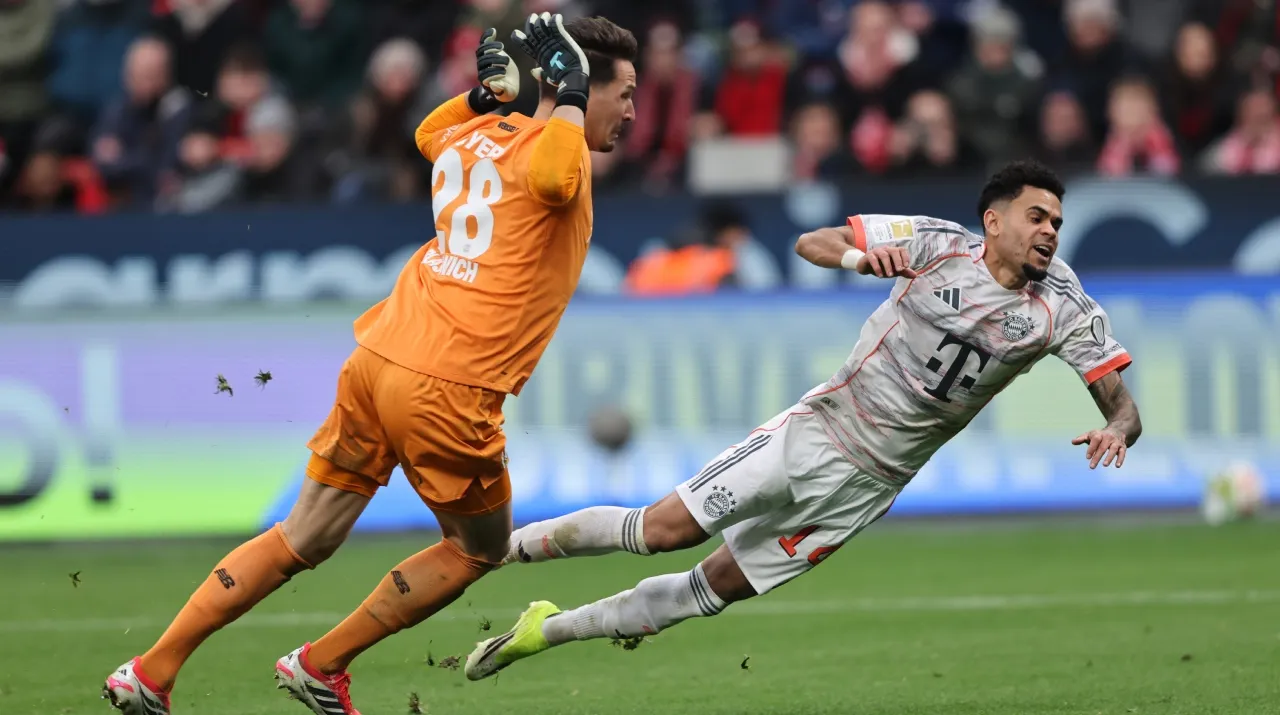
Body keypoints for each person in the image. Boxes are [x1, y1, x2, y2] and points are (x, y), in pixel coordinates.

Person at [102, 12, 637, 715]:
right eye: (623, 92)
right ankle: (322, 663)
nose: (631, 110)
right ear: (578, 86)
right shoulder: (556, 149)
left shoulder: (482, 132)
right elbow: (555, 178)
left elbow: (427, 134)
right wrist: (560, 95)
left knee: (306, 534)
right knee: (479, 547)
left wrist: (487, 99)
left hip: (381, 356)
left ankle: (152, 669)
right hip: (450, 384)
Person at [464, 159, 1143, 680]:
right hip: (815, 432)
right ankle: (503, 549)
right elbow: (811, 241)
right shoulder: (938, 246)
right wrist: (856, 258)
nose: (1051, 230)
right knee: (661, 530)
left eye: (1057, 220)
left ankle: (543, 631)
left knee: (713, 589)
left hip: (869, 486)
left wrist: (1117, 426)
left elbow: (1123, 402)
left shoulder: (1062, 305)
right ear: (994, 221)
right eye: (1037, 215)